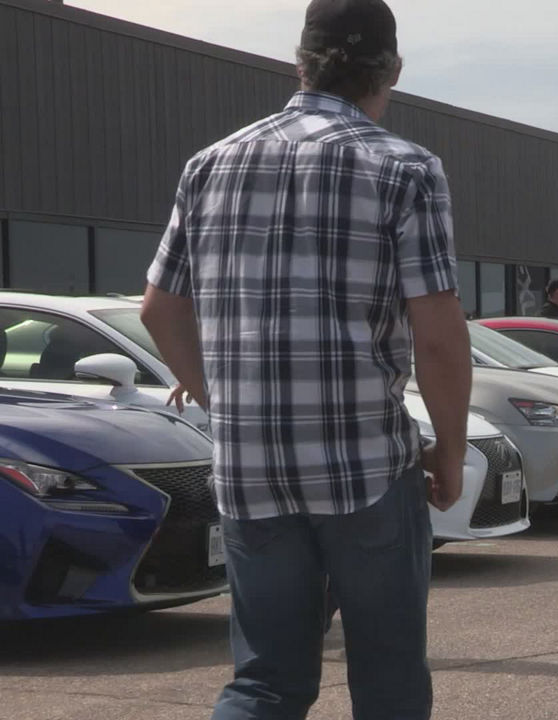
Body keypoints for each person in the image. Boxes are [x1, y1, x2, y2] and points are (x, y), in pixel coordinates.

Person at [140, 1, 472, 717]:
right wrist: (449, 450)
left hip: (251, 467)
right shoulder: (406, 169)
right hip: (364, 468)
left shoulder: (211, 165)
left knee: (266, 682)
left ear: (300, 62)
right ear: (392, 72)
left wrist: (215, 399)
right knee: (387, 679)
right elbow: (439, 337)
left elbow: (159, 311)